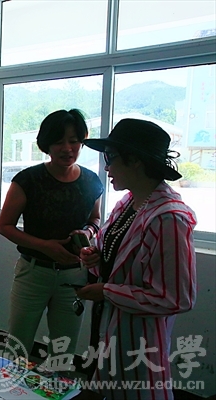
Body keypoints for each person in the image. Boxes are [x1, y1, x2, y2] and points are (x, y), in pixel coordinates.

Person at [77, 119, 196, 400]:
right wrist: (96, 257)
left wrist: (107, 292)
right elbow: (119, 260)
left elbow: (177, 298)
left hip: (139, 337)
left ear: (136, 161)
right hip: (110, 328)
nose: (106, 167)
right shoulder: (129, 203)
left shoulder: (168, 218)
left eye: (111, 157)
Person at [0, 109, 103, 356]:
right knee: (17, 345)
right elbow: (5, 226)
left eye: (74, 141)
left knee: (64, 349)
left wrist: (88, 231)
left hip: (74, 275)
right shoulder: (28, 180)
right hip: (34, 272)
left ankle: (58, 382)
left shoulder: (91, 181)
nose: (67, 148)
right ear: (46, 144)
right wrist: (44, 245)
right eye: (59, 142)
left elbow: (95, 219)